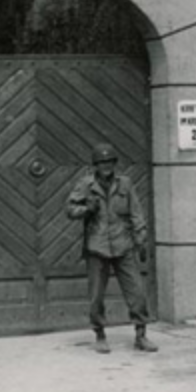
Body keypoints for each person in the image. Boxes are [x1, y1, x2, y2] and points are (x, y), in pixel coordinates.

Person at [66, 143, 157, 354]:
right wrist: (86, 208)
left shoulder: (124, 184)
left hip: (123, 244)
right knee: (96, 295)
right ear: (95, 165)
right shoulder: (85, 185)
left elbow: (136, 212)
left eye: (109, 162)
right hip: (97, 246)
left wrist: (141, 239)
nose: (106, 166)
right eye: (101, 163)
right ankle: (99, 334)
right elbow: (69, 210)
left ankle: (141, 334)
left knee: (137, 291)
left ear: (114, 163)